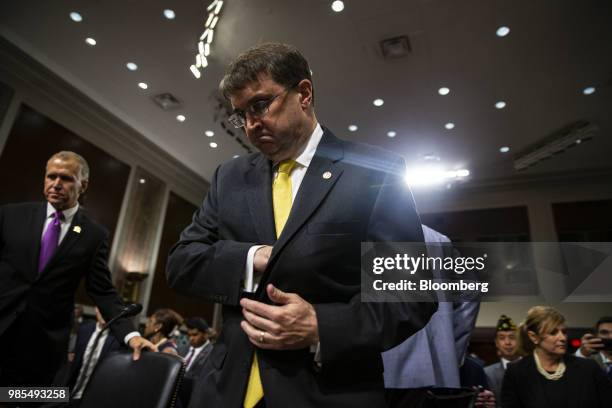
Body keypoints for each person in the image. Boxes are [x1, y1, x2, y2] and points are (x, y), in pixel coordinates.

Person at [167, 42, 436, 408]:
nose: (250, 124)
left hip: (327, 391)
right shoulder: (228, 178)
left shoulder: (375, 173)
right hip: (224, 391)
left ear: (304, 94)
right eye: (240, 114)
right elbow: (181, 261)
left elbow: (411, 296)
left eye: (260, 105)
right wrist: (253, 257)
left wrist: (321, 327)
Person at [0, 151, 155, 387]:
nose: (56, 184)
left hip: (43, 347)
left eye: (66, 178)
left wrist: (132, 335)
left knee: (25, 400)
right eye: (51, 176)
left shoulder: (94, 235)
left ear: (83, 185)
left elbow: (103, 291)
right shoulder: (11, 215)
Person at [383, 225, 482, 407]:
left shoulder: (359, 231)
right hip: (437, 371)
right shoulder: (438, 239)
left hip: (376, 372)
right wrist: (452, 349)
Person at [501, 306, 612, 408]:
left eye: (564, 332)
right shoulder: (516, 372)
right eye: (553, 333)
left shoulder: (588, 368)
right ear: (534, 337)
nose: (562, 337)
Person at [67, 307, 126, 406]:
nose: (105, 312)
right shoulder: (84, 329)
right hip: (69, 391)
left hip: (93, 399)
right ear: (96, 309)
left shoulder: (118, 340)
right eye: (101, 308)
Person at [484, 315, 520, 405]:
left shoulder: (531, 367)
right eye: (502, 338)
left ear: (520, 340)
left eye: (512, 337)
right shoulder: (487, 373)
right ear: (496, 343)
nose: (507, 342)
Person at [179, 317, 214, 407]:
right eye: (189, 335)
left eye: (195, 335)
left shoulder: (212, 354)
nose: (191, 338)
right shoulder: (182, 349)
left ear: (205, 334)